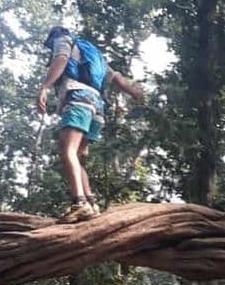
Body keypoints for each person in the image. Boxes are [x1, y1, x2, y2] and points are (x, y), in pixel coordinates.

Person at [37, 26, 145, 223]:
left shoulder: (63, 40)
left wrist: (45, 86)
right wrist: (135, 92)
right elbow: (118, 79)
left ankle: (79, 202)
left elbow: (61, 59)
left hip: (78, 97)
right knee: (77, 156)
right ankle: (91, 203)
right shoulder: (96, 57)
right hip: (97, 106)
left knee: (67, 149)